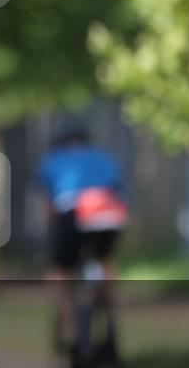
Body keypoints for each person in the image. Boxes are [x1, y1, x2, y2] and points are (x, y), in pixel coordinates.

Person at [35, 120, 128, 348]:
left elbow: (50, 207)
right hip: (108, 213)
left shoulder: (52, 161)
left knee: (61, 271)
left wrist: (52, 235)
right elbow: (117, 191)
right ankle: (110, 307)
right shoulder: (103, 158)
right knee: (105, 258)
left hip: (72, 213)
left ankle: (69, 328)